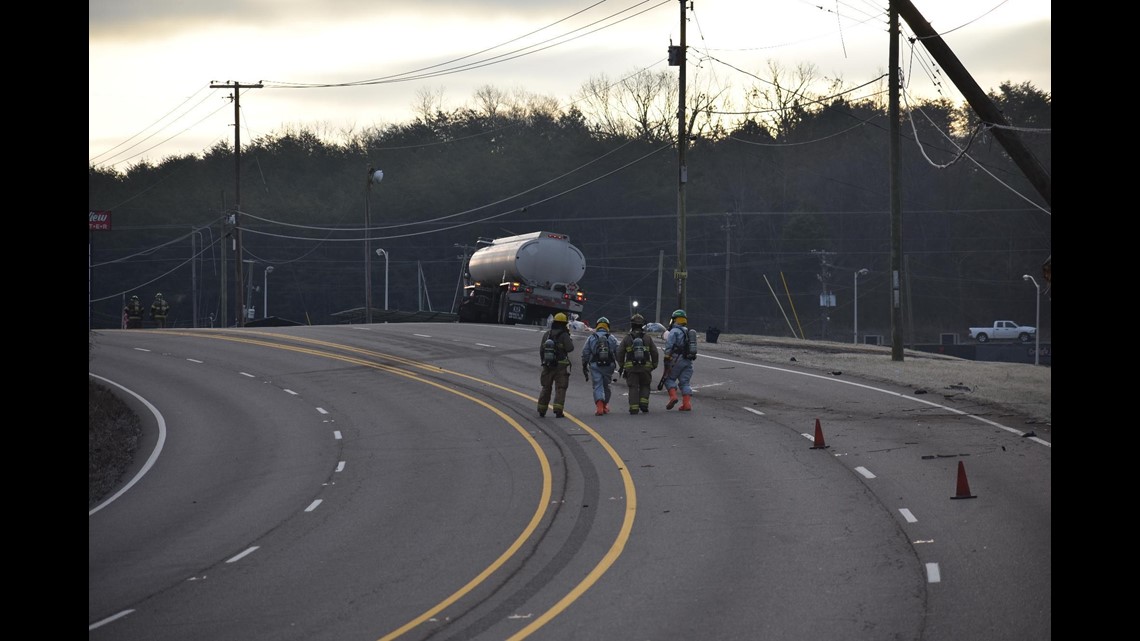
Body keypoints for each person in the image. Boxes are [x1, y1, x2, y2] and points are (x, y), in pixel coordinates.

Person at [616, 313, 659, 414]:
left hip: (631, 368)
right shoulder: (647, 338)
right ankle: (644, 404)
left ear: (632, 325)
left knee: (633, 387)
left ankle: (634, 408)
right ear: (642, 325)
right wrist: (654, 364)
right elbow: (654, 352)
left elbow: (620, 352)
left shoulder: (627, 338)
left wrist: (622, 365)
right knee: (645, 385)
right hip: (646, 367)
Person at [537, 312, 575, 418]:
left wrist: (544, 362)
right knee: (560, 388)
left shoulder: (547, 334)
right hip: (561, 367)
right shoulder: (564, 335)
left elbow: (541, 350)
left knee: (546, 387)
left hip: (548, 365)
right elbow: (570, 348)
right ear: (564, 324)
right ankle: (558, 410)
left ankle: (541, 409)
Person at [580, 317, 619, 416]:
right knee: (607, 385)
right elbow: (618, 352)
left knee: (598, 385)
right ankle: (605, 405)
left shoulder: (592, 337)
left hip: (595, 365)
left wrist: (584, 364)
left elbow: (585, 352)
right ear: (607, 326)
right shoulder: (611, 338)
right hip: (609, 365)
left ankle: (599, 407)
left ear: (597, 326)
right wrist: (621, 365)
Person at [662, 309, 695, 411]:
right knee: (685, 383)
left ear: (674, 320)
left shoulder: (674, 331)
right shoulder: (688, 331)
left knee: (669, 379)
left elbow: (669, 345)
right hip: (688, 360)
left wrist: (667, 357)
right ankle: (686, 404)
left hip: (676, 359)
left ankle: (673, 397)